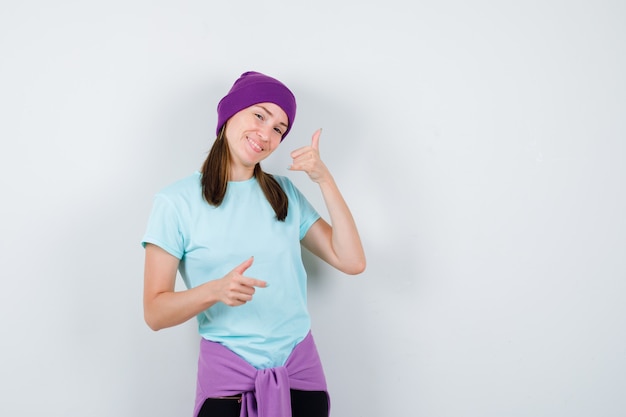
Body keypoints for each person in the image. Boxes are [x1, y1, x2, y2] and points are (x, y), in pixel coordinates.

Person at [141, 71, 366, 417]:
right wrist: (215, 290)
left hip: (300, 375)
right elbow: (155, 313)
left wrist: (325, 180)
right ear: (230, 113)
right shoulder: (175, 203)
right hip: (229, 385)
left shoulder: (283, 194)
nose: (266, 133)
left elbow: (351, 261)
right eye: (259, 115)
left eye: (279, 128)